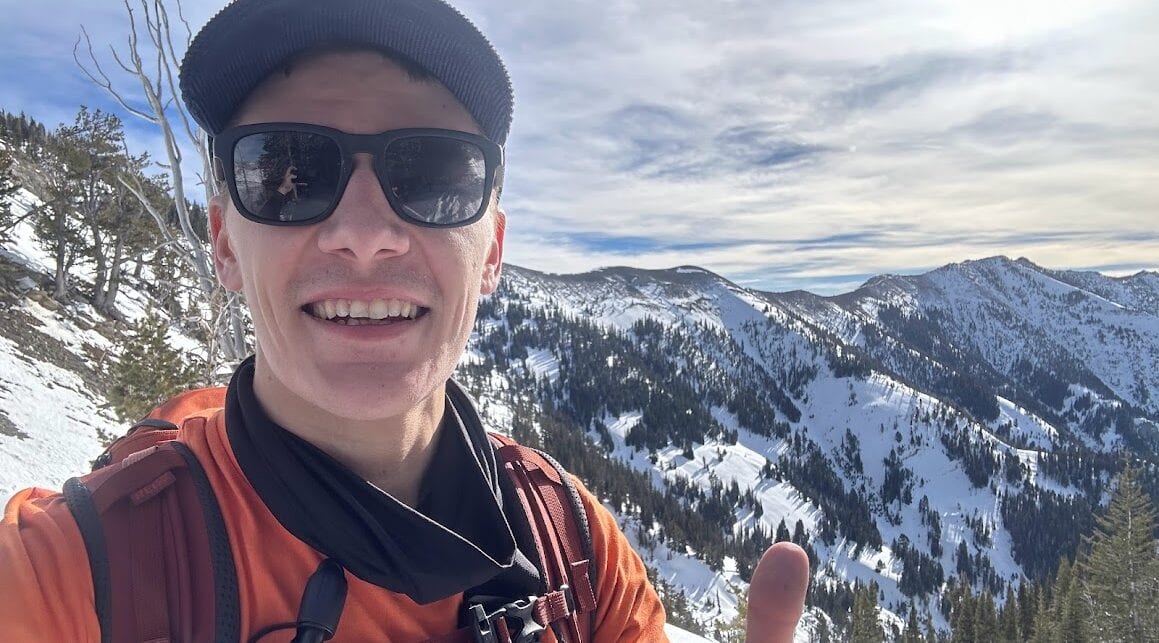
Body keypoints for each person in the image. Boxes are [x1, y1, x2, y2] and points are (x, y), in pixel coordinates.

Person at [0, 0, 809, 641]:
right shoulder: (76, 573)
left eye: (431, 173)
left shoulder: (577, 551)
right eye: (286, 169)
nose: (364, 232)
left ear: (491, 252)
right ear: (223, 243)